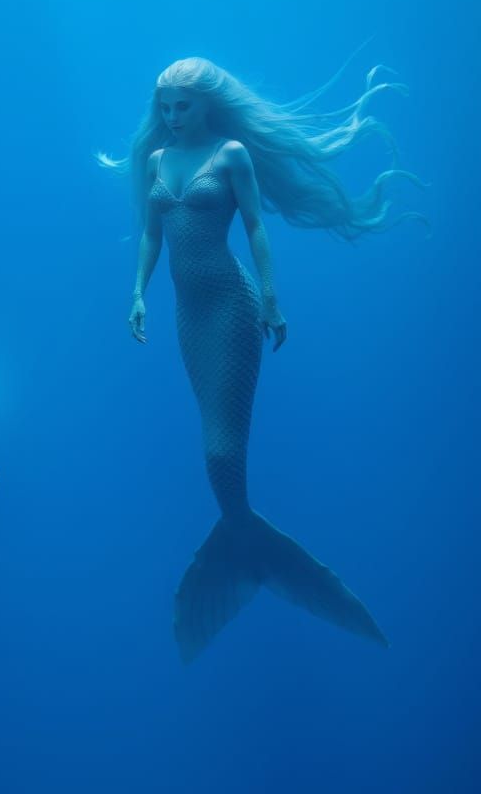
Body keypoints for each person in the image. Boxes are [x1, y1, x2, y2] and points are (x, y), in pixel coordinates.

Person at [116, 56, 423, 662]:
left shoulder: (230, 154)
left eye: (183, 106)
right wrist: (136, 293)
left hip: (232, 306)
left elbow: (256, 225)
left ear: (207, 104)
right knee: (211, 439)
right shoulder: (157, 160)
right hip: (188, 315)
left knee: (220, 451)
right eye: (165, 107)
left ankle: (244, 542)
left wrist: (273, 298)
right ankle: (243, 543)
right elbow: (152, 233)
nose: (172, 117)